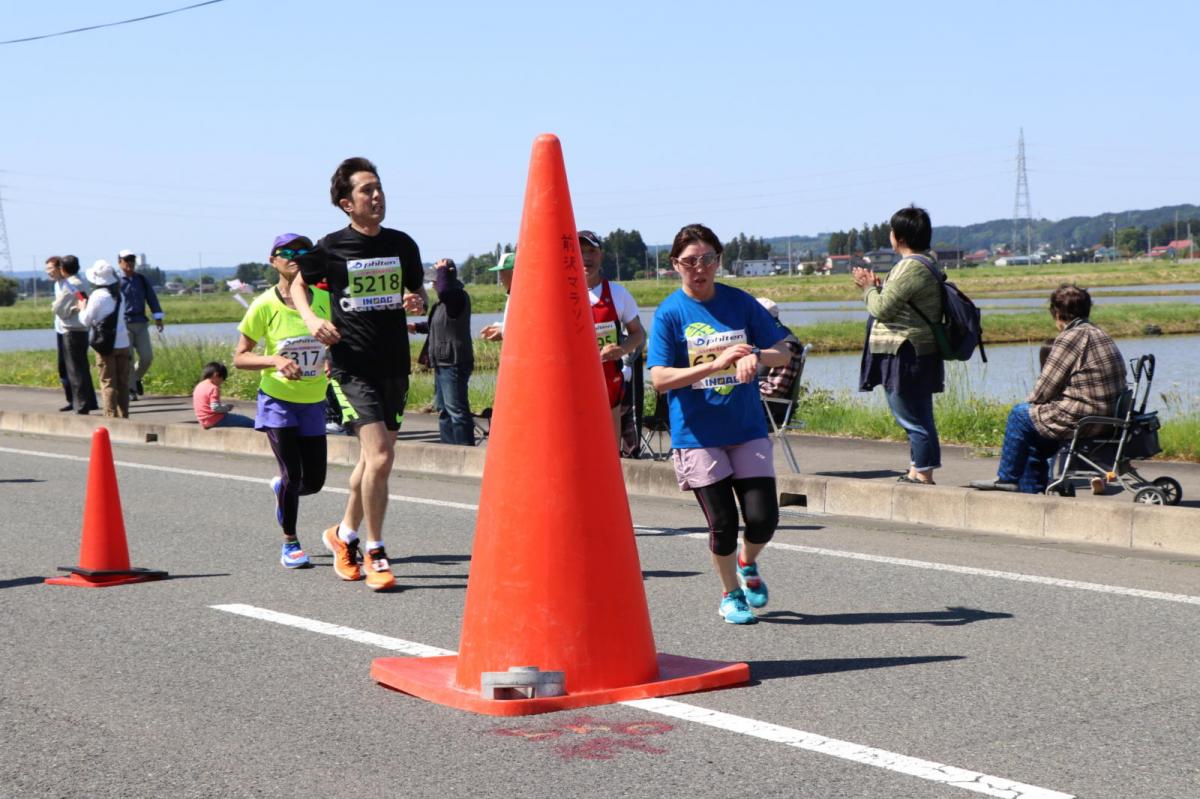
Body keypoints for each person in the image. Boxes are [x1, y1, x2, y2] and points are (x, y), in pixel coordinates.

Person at [292, 156, 427, 592]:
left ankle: (342, 534)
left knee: (374, 460)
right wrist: (312, 320)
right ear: (347, 203)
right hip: (351, 367)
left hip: (394, 366)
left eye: (379, 187)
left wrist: (416, 300)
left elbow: (416, 290)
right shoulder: (330, 247)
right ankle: (375, 550)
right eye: (367, 190)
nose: (377, 196)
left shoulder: (403, 244)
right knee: (382, 457)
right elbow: (297, 283)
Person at [647, 223, 793, 625]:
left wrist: (756, 356)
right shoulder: (670, 313)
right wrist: (714, 364)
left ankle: (747, 563)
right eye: (690, 261)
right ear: (675, 265)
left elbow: (783, 351)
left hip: (745, 428)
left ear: (718, 261)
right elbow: (658, 378)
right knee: (723, 523)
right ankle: (731, 595)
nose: (700, 268)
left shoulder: (740, 303)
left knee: (764, 519)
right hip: (698, 435)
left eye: (708, 259)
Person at [971, 285, 1126, 494]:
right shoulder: (1100, 333)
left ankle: (1006, 478)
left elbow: (1044, 388)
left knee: (1019, 415)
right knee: (1033, 439)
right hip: (1108, 416)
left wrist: (1030, 405)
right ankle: (1033, 492)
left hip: (1085, 416)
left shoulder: (1070, 337)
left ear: (1057, 313)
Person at [233, 233, 330, 568]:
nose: (294, 256)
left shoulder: (322, 299)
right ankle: (290, 543)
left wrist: (331, 359)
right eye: (285, 252)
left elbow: (334, 339)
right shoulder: (264, 304)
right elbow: (240, 358)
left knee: (313, 481)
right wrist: (274, 360)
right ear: (272, 260)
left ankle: (284, 491)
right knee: (291, 474)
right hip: (278, 400)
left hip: (314, 398)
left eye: (302, 251)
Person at [852, 206, 944, 485]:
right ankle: (918, 469)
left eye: (892, 231)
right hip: (914, 348)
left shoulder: (910, 266)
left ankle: (923, 472)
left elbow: (882, 308)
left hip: (905, 350)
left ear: (899, 236)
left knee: (910, 414)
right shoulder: (923, 263)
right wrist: (879, 288)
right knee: (917, 412)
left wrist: (867, 288)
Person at [580, 229, 646, 446]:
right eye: (580, 251)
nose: (586, 257)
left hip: (609, 384)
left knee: (610, 452)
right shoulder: (557, 294)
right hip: (573, 385)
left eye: (591, 250)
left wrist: (622, 350)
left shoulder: (618, 293)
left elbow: (638, 334)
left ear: (601, 255)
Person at [411, 258, 475, 445]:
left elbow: (445, 290)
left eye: (435, 281)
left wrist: (442, 271)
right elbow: (438, 324)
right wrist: (416, 326)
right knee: (444, 409)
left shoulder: (456, 296)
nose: (433, 285)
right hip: (443, 361)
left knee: (456, 409)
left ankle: (465, 450)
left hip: (454, 361)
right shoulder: (444, 303)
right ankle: (449, 449)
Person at [77, 259, 131, 418]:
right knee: (123, 383)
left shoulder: (97, 296)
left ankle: (110, 416)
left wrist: (82, 308)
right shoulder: (119, 295)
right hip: (123, 343)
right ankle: (124, 415)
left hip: (105, 345)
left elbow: (86, 320)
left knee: (108, 382)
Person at [48, 256, 98, 414]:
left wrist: (67, 310)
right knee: (82, 366)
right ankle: (89, 401)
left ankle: (81, 404)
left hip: (72, 329)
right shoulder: (82, 282)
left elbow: (58, 307)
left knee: (74, 369)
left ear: (63, 269)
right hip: (83, 328)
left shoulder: (70, 284)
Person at [117, 249, 164, 400]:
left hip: (141, 323)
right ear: (120, 263)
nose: (130, 263)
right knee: (128, 358)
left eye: (132, 260)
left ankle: (135, 379)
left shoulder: (141, 280)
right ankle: (131, 390)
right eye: (126, 260)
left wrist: (158, 317)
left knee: (147, 357)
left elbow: (152, 298)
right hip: (124, 324)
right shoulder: (116, 281)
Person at [755, 297, 805, 427]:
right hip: (760, 406)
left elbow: (775, 390)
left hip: (769, 411)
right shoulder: (773, 338)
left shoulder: (787, 345)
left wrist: (743, 387)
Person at [192, 361, 254, 428]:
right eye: (222, 379)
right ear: (216, 375)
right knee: (246, 421)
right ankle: (264, 428)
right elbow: (215, 408)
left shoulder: (199, 386)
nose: (222, 382)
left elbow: (209, 406)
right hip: (215, 420)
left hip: (203, 420)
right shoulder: (213, 388)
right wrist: (227, 408)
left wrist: (223, 407)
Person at [479, 252, 515, 342]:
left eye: (502, 272)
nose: (500, 277)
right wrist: (497, 327)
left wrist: (502, 332)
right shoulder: (512, 294)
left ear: (513, 272)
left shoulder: (522, 296)